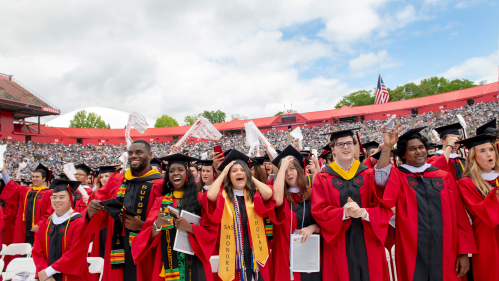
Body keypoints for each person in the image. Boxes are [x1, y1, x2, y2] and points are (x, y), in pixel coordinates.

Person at [375, 125, 476, 281]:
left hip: (446, 248)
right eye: (412, 149)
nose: (419, 152)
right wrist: (388, 146)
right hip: (413, 250)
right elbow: (380, 180)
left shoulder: (444, 177)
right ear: (403, 153)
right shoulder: (399, 177)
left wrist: (464, 252)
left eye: (421, 147)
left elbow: (460, 217)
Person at [311, 128, 393, 281]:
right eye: (340, 144)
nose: (346, 147)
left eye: (349, 143)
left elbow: (383, 205)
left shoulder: (368, 174)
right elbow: (318, 210)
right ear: (333, 149)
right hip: (338, 243)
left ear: (355, 147)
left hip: (368, 239)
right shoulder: (322, 178)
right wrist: (344, 213)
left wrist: (364, 213)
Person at [82, 140, 164, 281]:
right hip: (117, 247)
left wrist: (142, 226)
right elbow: (100, 208)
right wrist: (91, 209)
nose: (133, 156)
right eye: (130, 153)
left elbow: (165, 219)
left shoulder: (160, 184)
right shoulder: (116, 180)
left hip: (146, 249)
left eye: (139, 152)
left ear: (150, 154)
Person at [132, 154, 218, 281]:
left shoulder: (200, 199)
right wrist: (158, 224)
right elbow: (146, 236)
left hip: (195, 261)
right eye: (171, 171)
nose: (175, 173)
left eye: (180, 170)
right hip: (167, 263)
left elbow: (210, 231)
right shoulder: (160, 201)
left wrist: (189, 227)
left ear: (187, 174)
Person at [206, 149, 275, 281]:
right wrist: (223, 172)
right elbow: (210, 195)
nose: (239, 172)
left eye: (242, 170)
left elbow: (268, 193)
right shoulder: (224, 196)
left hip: (255, 250)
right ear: (229, 176)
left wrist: (251, 177)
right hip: (233, 251)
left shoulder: (254, 194)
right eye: (234, 170)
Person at [270, 145, 321, 281]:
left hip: (309, 253)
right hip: (285, 255)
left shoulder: (311, 194)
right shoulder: (281, 200)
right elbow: (276, 199)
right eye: (285, 171)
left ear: (299, 170)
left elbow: (326, 222)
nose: (289, 174)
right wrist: (282, 167)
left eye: (292, 168)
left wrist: (313, 228)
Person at [456, 134, 499, 281]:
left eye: (491, 149)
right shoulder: (466, 183)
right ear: (473, 157)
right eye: (482, 151)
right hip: (488, 238)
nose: (489, 154)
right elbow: (487, 214)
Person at [33, 179, 92, 281]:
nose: (57, 200)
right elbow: (37, 251)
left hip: (71, 277)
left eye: (62, 197)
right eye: (54, 197)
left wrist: (49, 271)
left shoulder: (79, 223)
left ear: (72, 198)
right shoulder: (45, 224)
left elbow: (75, 253)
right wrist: (46, 276)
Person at [0, 162, 53, 245]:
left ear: (44, 179)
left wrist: (40, 224)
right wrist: (3, 170)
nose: (34, 179)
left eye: (37, 177)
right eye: (33, 177)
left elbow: (50, 212)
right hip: (23, 229)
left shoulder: (49, 193)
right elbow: (11, 185)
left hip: (39, 229)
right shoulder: (26, 191)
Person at [89, 166, 118, 263]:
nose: (104, 179)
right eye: (101, 177)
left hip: (114, 226)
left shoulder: (118, 192)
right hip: (100, 229)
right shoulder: (95, 193)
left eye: (107, 176)